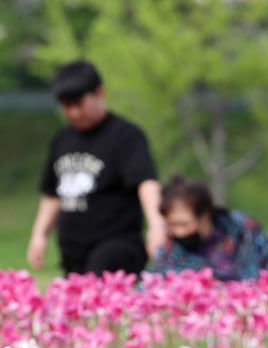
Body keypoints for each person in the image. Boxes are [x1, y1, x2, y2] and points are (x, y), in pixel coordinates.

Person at [27, 61, 166, 276]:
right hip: (73, 250)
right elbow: (52, 194)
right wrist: (39, 235)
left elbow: (145, 182)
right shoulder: (62, 140)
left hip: (116, 245)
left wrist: (157, 225)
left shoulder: (125, 136)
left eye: (79, 103)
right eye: (66, 105)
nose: (73, 112)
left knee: (102, 280)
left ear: (99, 93)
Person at [146, 176, 268, 282]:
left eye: (184, 224)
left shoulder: (242, 230)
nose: (178, 232)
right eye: (172, 225)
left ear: (204, 215)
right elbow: (154, 283)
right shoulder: (169, 251)